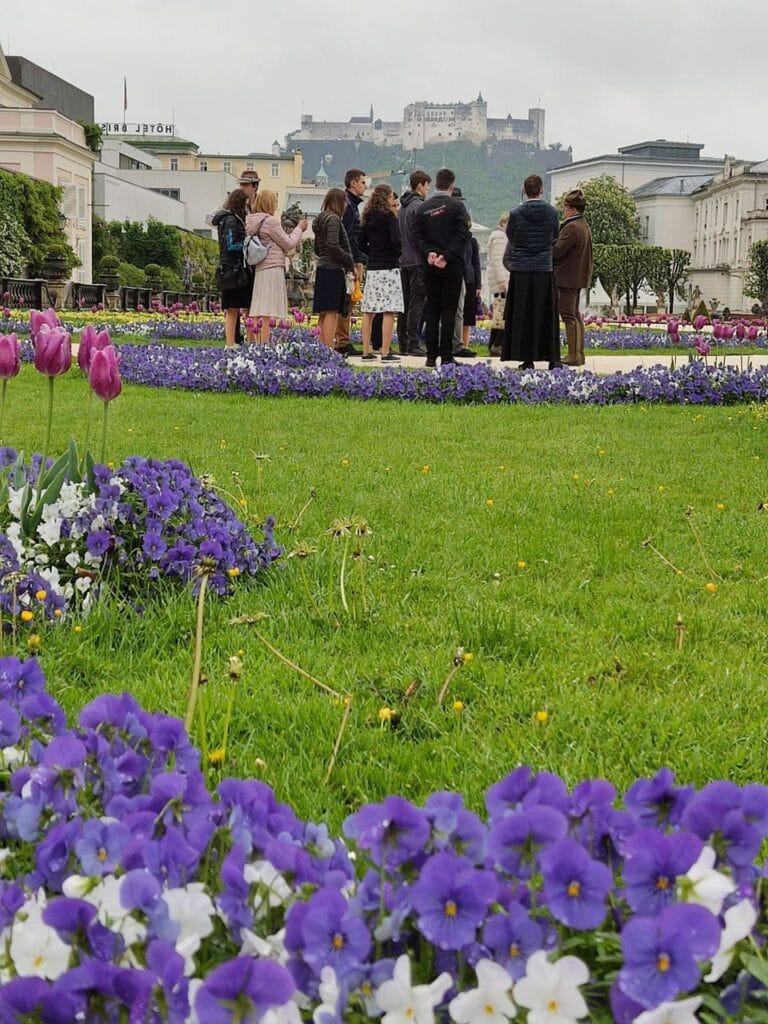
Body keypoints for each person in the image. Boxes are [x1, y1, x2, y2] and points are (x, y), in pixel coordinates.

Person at [502, 174, 563, 371]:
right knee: (546, 315)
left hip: (520, 270)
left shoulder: (516, 214)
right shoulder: (552, 213)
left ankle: (526, 359)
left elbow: (511, 236)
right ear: (542, 189)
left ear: (524, 190)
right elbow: (555, 235)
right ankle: (553, 358)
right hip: (543, 268)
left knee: (523, 315)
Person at [411, 167, 468, 368]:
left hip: (429, 265)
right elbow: (463, 235)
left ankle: (430, 355)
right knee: (449, 311)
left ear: (435, 184)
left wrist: (429, 253)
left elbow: (416, 236)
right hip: (451, 266)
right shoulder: (457, 207)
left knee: (432, 309)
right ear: (451, 186)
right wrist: (447, 255)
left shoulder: (422, 208)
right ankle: (446, 356)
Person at [246, 190, 307, 343]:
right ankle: (264, 344)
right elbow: (288, 243)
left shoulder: (252, 221)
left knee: (259, 308)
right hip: (272, 267)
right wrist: (299, 229)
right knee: (267, 310)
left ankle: (255, 342)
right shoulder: (270, 222)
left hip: (260, 267)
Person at [358, 184, 403, 362]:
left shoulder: (367, 217)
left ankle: (366, 351)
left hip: (373, 268)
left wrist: (372, 253)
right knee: (388, 311)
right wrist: (395, 253)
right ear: (386, 198)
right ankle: (385, 351)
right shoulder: (390, 217)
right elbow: (396, 243)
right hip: (389, 267)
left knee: (369, 311)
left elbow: (361, 244)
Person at [553, 189, 593, 366]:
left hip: (567, 278)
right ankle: (578, 353)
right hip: (577, 277)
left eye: (566, 207)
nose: (564, 210)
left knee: (568, 315)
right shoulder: (583, 225)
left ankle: (573, 354)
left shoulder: (571, 227)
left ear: (573, 209)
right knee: (575, 315)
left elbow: (557, 251)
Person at [313, 187, 356, 348]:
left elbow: (318, 248)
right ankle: (328, 348)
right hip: (333, 269)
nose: (345, 206)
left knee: (323, 312)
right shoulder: (333, 220)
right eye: (344, 202)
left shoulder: (319, 219)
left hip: (322, 268)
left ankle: (320, 347)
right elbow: (333, 244)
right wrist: (348, 260)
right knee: (332, 311)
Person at [211, 188, 252, 349]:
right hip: (232, 268)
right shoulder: (231, 220)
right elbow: (230, 245)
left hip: (229, 267)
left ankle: (231, 342)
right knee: (232, 307)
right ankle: (230, 343)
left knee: (233, 308)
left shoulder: (225, 219)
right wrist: (246, 244)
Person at [334, 168, 367, 357]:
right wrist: (354, 262)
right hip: (351, 260)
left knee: (350, 300)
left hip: (353, 258)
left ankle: (343, 340)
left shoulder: (351, 205)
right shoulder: (348, 206)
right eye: (362, 182)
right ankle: (343, 341)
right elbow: (348, 237)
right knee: (347, 300)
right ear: (353, 183)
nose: (365, 186)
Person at [398, 171, 430, 356]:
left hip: (403, 261)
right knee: (417, 303)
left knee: (404, 304)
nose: (428, 190)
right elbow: (422, 235)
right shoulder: (419, 207)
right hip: (417, 261)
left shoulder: (402, 208)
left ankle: (403, 343)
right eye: (427, 186)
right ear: (419, 186)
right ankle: (413, 344)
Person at [450, 188, 476, 358]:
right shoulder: (457, 219)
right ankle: (455, 344)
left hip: (460, 270)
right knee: (455, 309)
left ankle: (453, 342)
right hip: (456, 269)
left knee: (456, 309)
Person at [487, 214, 510, 356]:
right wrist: (503, 280)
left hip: (500, 280)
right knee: (502, 314)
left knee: (499, 313)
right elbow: (497, 260)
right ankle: (497, 343)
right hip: (501, 281)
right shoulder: (500, 238)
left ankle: (494, 343)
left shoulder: (500, 237)